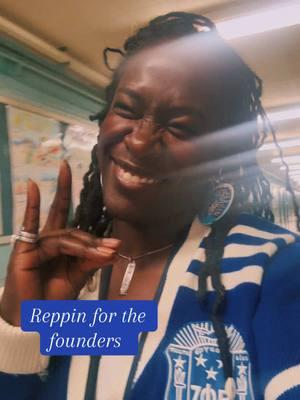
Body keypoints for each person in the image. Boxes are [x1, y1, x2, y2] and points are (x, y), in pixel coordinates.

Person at [0, 11, 299, 400]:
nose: (140, 140)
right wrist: (18, 328)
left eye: (181, 126)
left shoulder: (272, 271)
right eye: (127, 108)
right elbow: (126, 353)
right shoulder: (75, 280)